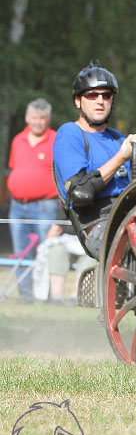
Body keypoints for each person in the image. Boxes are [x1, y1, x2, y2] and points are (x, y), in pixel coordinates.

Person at [52, 61, 136, 258]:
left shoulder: (117, 137)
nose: (100, 101)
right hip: (98, 224)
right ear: (78, 101)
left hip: (132, 216)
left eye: (106, 96)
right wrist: (121, 157)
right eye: (92, 95)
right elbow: (80, 192)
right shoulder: (70, 133)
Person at [6, 98, 60, 301]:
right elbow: (14, 168)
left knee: (45, 253)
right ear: (27, 118)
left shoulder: (55, 140)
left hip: (45, 206)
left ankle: (44, 297)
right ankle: (26, 297)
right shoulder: (17, 140)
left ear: (48, 119)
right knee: (21, 253)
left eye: (42, 118)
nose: (38, 122)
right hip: (18, 206)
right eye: (35, 118)